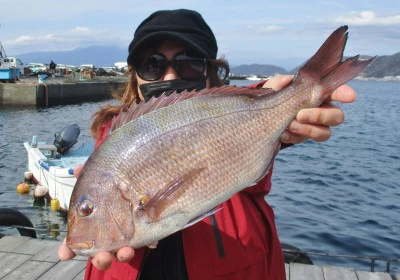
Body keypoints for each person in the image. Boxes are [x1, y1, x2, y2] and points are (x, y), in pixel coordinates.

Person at [58, 9, 357, 280]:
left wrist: (280, 107)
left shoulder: (236, 122)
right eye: (152, 65)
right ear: (134, 78)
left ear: (209, 72)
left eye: (188, 64)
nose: (171, 75)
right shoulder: (109, 147)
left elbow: (237, 141)